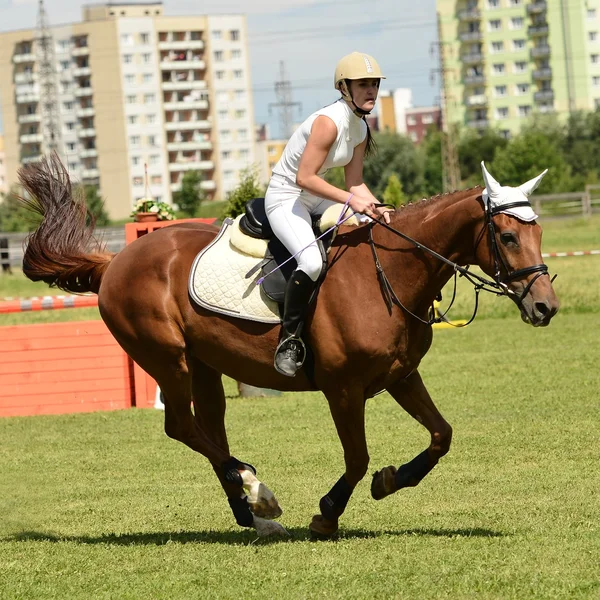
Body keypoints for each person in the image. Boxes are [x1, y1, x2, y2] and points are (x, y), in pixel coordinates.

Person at [265, 51, 392, 377]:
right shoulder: (327, 122)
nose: (371, 91)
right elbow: (304, 178)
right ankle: (289, 340)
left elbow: (356, 183)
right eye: (363, 84)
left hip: (315, 197)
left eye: (374, 84)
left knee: (369, 229)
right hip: (286, 197)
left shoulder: (360, 129)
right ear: (343, 87)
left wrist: (380, 209)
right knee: (312, 262)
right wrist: (353, 202)